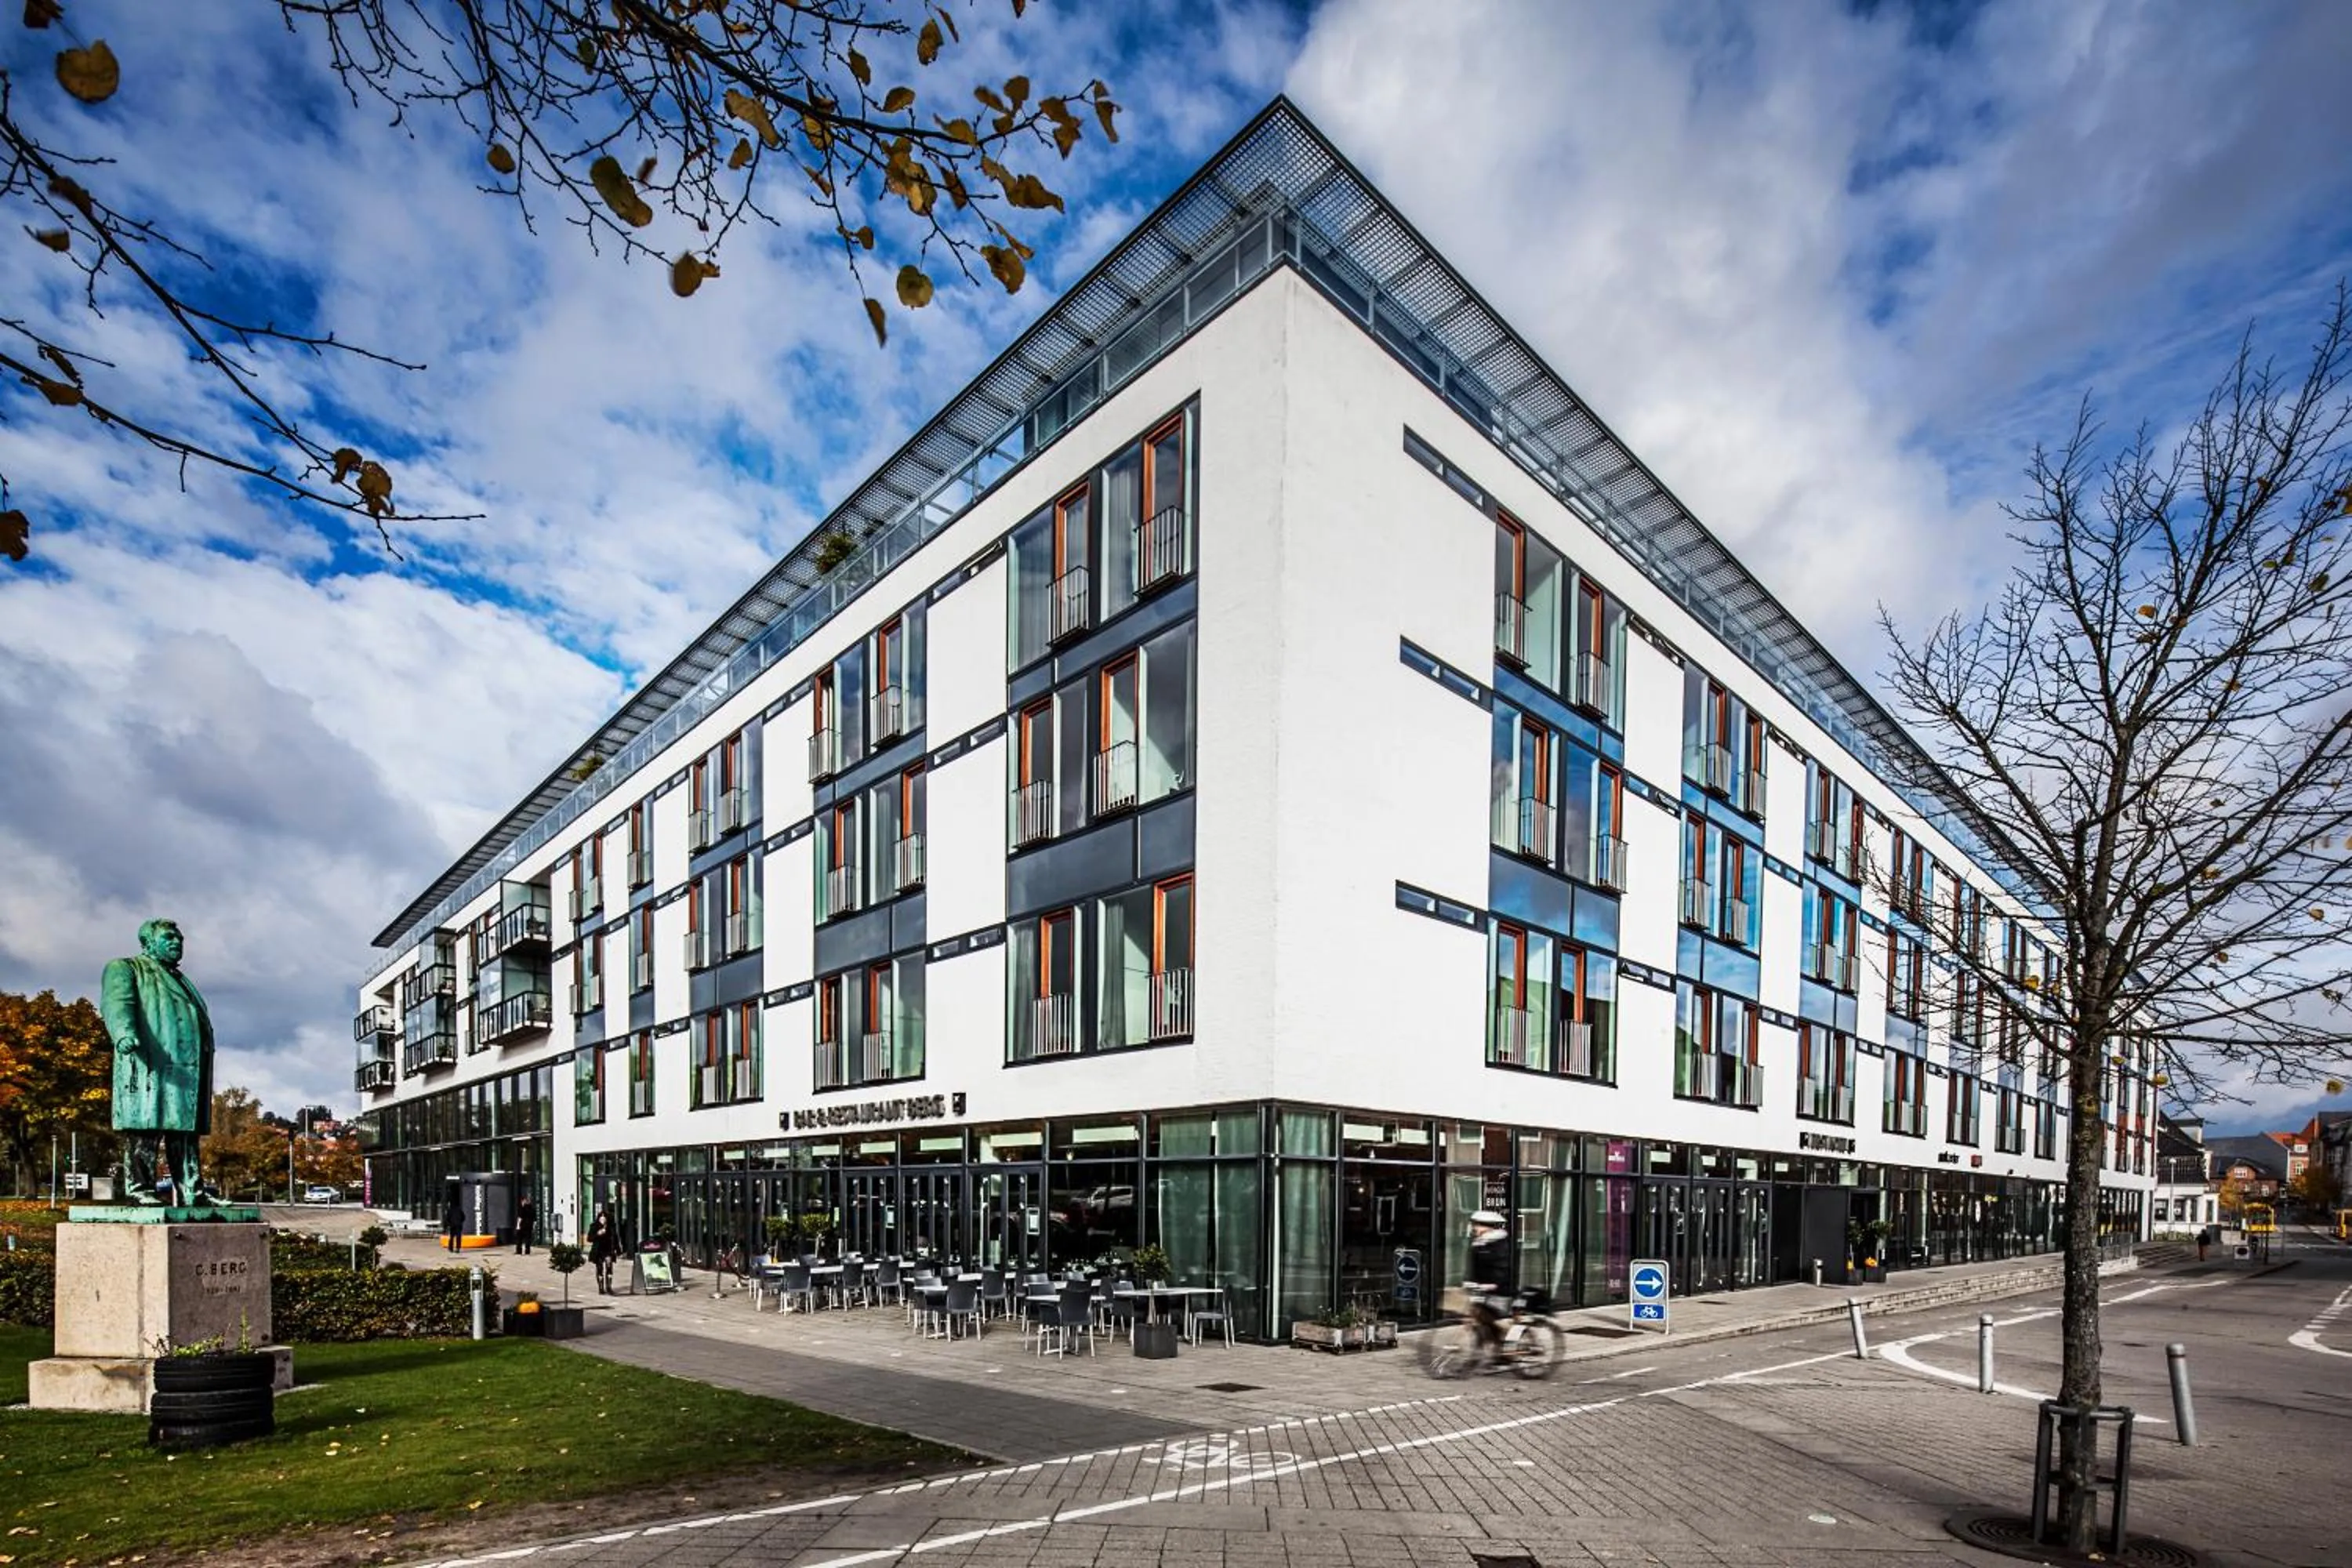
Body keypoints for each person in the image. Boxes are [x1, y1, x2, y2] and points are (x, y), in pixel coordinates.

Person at [1465, 1209, 1515, 1361]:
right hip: (1483, 1290)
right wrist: (1468, 1281)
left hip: (1500, 1290)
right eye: (1474, 1225)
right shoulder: (1479, 1244)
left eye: (1478, 1225)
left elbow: (1503, 1267)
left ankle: (1506, 1350)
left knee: (1495, 1322)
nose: (1475, 1228)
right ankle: (1485, 1351)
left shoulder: (1500, 1244)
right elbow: (1474, 1267)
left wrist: (1494, 1284)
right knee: (1479, 1319)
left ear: (1489, 1227)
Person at [588, 1206, 620, 1294]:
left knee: (609, 1267)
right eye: (601, 1217)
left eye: (604, 1217)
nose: (603, 1219)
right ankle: (601, 1288)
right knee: (599, 1268)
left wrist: (618, 1249)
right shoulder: (594, 1226)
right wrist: (598, 1234)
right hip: (598, 1250)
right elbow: (589, 1239)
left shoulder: (611, 1227)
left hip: (608, 1250)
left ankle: (609, 1287)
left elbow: (615, 1238)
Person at [514, 1189, 537, 1256]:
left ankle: (519, 1251)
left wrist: (518, 1226)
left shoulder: (522, 1208)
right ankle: (527, 1251)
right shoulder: (533, 1210)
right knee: (528, 1239)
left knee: (519, 1239)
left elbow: (520, 1217)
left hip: (522, 1225)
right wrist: (533, 1227)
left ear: (524, 1202)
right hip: (529, 1226)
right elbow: (535, 1220)